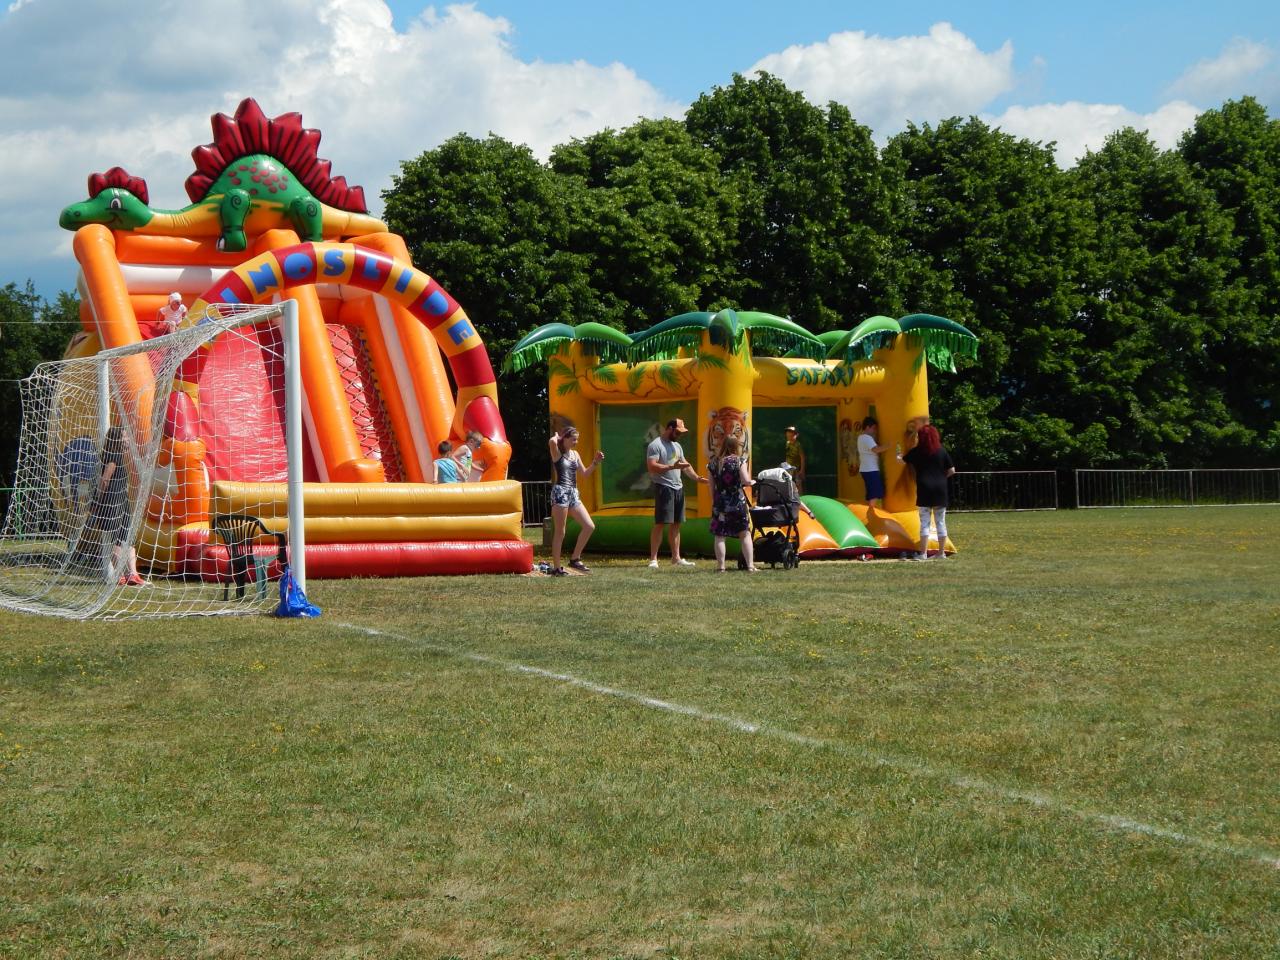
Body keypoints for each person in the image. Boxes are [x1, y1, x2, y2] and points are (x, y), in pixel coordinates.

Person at [646, 418, 707, 568]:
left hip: (678, 488)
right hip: (663, 488)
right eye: (677, 432)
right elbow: (652, 466)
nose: (679, 435)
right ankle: (653, 559)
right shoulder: (655, 445)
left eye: (681, 433)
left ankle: (676, 558)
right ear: (670, 428)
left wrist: (697, 478)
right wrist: (671, 467)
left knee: (676, 524)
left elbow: (685, 465)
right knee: (660, 523)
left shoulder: (677, 446)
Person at [93, 425, 146, 586]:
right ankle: (120, 575)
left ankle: (133, 575)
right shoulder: (113, 456)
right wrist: (97, 500)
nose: (128, 440)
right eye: (125, 437)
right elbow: (105, 480)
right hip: (112, 502)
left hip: (122, 502)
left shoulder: (119, 456)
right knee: (117, 540)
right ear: (117, 440)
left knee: (127, 539)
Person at [548, 427, 604, 576]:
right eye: (573, 439)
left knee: (589, 526)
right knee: (560, 532)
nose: (576, 442)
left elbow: (585, 474)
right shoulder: (557, 452)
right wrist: (557, 437)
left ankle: (575, 559)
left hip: (573, 493)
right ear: (565, 439)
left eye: (577, 439)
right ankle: (557, 568)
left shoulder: (575, 454)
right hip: (561, 493)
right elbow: (552, 442)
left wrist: (595, 462)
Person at [901, 422, 956, 560]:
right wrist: (941, 478)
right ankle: (941, 553)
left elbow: (903, 460)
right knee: (940, 522)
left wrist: (897, 455)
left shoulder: (917, 452)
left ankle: (923, 553)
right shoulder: (941, 451)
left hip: (924, 489)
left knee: (925, 523)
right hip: (940, 490)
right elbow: (952, 470)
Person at [707, 435, 756, 573]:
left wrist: (714, 501)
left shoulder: (713, 463)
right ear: (736, 446)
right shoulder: (740, 461)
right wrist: (752, 482)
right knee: (744, 533)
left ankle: (721, 567)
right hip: (737, 502)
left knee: (719, 535)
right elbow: (745, 480)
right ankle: (750, 566)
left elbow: (710, 486)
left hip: (720, 503)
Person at [857, 416, 892, 509]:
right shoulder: (866, 438)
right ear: (867, 427)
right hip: (870, 469)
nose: (875, 431)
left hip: (866, 469)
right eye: (873, 428)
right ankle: (871, 511)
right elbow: (876, 449)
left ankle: (868, 510)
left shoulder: (861, 437)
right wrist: (888, 446)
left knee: (871, 493)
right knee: (875, 493)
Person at [783, 425, 806, 493]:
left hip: (796, 468)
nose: (788, 433)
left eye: (791, 432)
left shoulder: (798, 445)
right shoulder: (787, 443)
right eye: (788, 432)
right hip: (788, 468)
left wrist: (802, 470)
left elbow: (802, 457)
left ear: (796, 434)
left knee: (798, 483)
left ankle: (801, 497)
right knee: (788, 483)